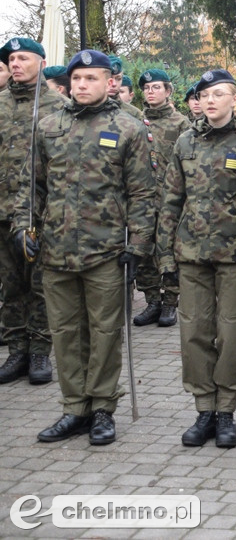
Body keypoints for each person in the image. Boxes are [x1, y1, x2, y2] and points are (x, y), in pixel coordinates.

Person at [15, 49, 157, 445]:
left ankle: (102, 409)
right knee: (65, 333)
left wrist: (140, 244)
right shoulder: (46, 126)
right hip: (56, 250)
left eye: (90, 79)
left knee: (104, 332)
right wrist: (23, 227)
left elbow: (143, 192)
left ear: (109, 82)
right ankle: (74, 407)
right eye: (76, 79)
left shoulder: (127, 128)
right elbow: (33, 188)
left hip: (107, 251)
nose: (81, 86)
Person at [158, 69, 236, 448]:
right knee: (194, 335)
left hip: (235, 259)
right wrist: (164, 258)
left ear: (234, 99)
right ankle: (204, 410)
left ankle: (226, 412)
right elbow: (171, 202)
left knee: (230, 338)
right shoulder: (185, 141)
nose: (210, 101)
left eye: (219, 94)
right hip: (190, 256)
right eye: (205, 94)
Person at [0, 37, 65, 385]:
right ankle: (17, 351)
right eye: (11, 59)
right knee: (10, 288)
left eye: (23, 58)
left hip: (41, 213)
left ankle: (40, 350)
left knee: (39, 285)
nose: (15, 64)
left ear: (41, 62)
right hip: (2, 210)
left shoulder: (58, 105)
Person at [133, 68, 190, 328]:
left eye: (156, 87)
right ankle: (152, 300)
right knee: (143, 252)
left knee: (168, 251)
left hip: (169, 199)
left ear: (168, 92)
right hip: (141, 199)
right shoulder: (135, 121)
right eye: (146, 88)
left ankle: (170, 302)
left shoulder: (181, 124)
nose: (150, 92)